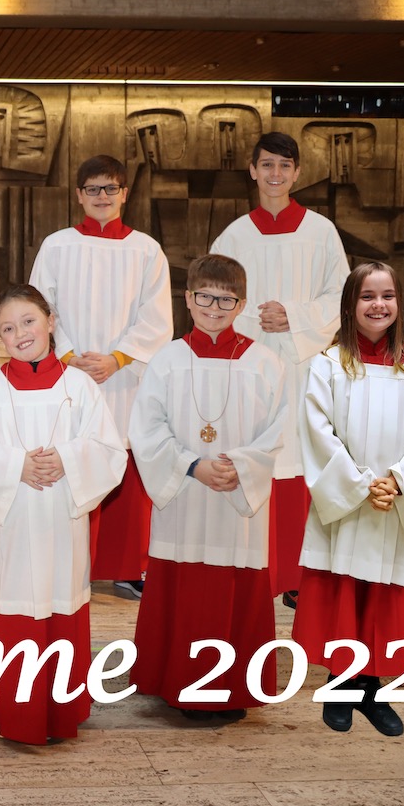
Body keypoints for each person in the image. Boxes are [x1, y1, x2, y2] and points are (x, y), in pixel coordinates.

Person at [0, 285, 126, 745]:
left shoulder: (80, 386)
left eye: (28, 321)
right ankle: (13, 711)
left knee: (60, 601)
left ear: (50, 321)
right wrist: (17, 465)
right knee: (13, 605)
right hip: (13, 523)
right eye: (8, 328)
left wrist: (67, 459)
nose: (21, 333)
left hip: (62, 521)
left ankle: (59, 710)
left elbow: (109, 450)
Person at [293, 262, 404, 737]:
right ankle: (340, 685)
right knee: (346, 591)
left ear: (399, 303)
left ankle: (371, 689)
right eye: (367, 296)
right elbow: (317, 432)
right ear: (349, 305)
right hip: (351, 500)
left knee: (384, 598)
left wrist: (399, 481)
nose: (378, 305)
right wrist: (362, 485)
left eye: (387, 296)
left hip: (394, 500)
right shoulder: (328, 365)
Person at [128, 254, 287, 722]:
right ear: (188, 298)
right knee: (183, 586)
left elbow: (279, 430)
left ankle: (232, 689)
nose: (214, 308)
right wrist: (191, 465)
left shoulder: (265, 363)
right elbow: (146, 429)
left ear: (242, 304)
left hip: (236, 500)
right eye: (205, 297)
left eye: (226, 300)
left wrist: (243, 467)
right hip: (184, 493)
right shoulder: (167, 360)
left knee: (235, 586)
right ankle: (176, 683)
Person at [210, 131, 350, 606]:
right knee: (252, 457)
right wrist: (256, 320)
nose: (275, 174)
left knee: (300, 463)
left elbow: (340, 295)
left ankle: (296, 575)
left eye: (284, 166)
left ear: (297, 173)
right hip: (248, 367)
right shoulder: (234, 236)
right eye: (267, 164)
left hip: (303, 364)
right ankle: (253, 569)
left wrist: (293, 315)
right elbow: (215, 297)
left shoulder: (320, 232)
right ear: (252, 170)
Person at [29, 154, 172, 600]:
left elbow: (156, 316)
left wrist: (118, 358)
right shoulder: (57, 245)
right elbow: (40, 306)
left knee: (126, 468)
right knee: (71, 463)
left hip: (125, 378)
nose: (102, 196)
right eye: (93, 189)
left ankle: (128, 567)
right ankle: (70, 563)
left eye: (111, 188)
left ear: (125, 194)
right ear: (79, 195)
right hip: (69, 376)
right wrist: (69, 353)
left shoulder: (146, 249)